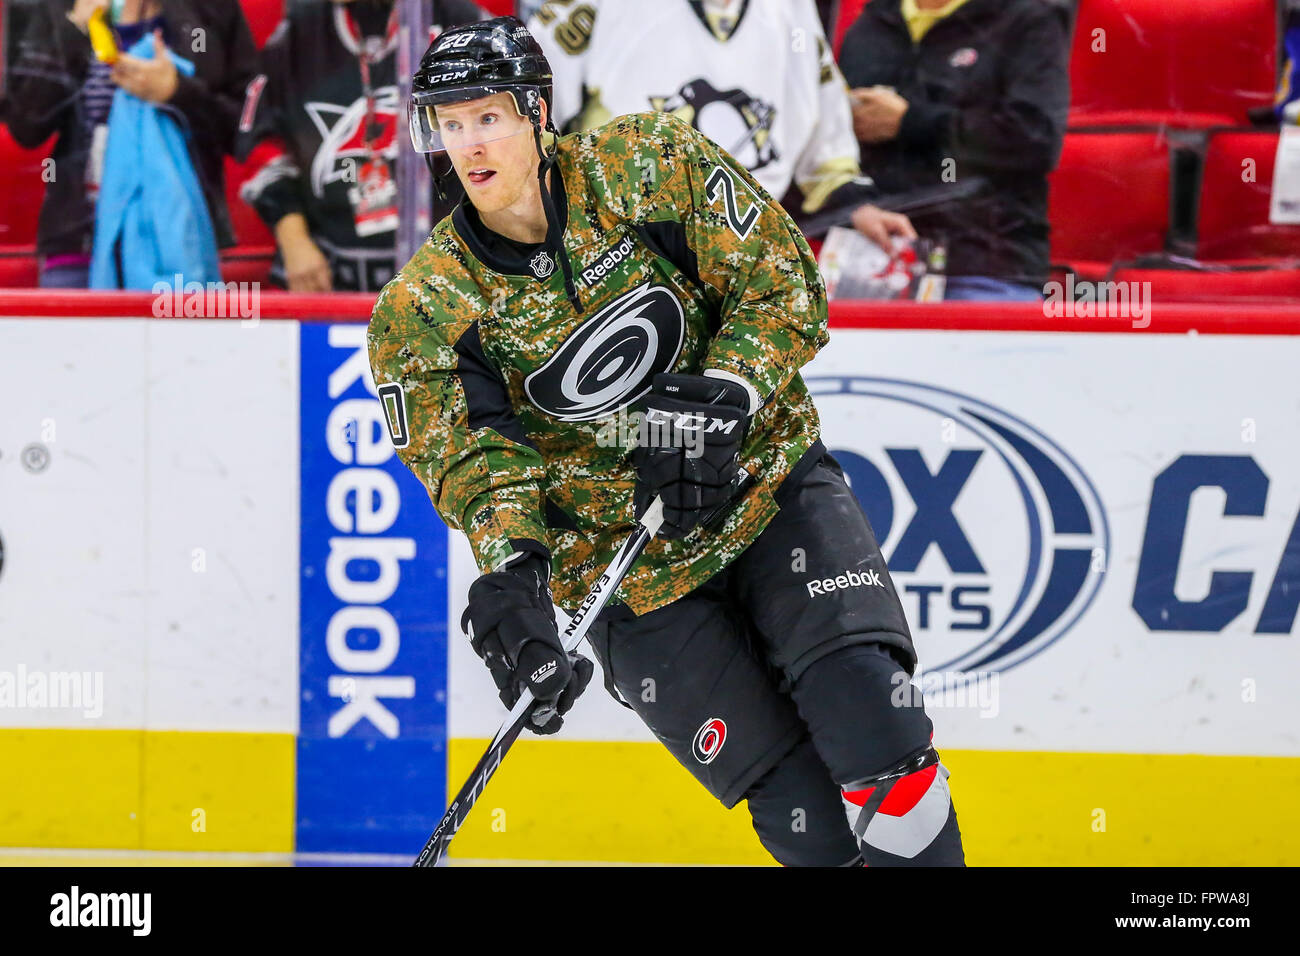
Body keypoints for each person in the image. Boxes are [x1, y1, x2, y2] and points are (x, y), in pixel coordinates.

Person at [368, 16, 966, 866]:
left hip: (766, 492)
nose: (468, 143)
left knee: (874, 721)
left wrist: (726, 394)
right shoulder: (422, 309)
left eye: (488, 116)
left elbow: (780, 280)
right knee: (805, 817)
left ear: (539, 112)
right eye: (449, 123)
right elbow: (473, 462)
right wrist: (515, 579)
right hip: (628, 579)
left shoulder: (648, 164)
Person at [526, 0, 915, 252]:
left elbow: (825, 152)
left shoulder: (792, 10)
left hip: (743, 252)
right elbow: (526, 120)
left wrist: (858, 206)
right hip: (614, 248)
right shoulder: (592, 7)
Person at [235, 0, 487, 293]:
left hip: (451, 277)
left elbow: (514, 147)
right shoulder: (297, 33)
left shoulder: (467, 29)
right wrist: (294, 239)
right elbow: (262, 144)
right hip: (326, 276)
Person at [5, 0, 256, 288]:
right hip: (78, 245)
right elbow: (27, 125)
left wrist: (178, 93)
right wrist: (74, 27)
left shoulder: (210, 10)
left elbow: (245, 127)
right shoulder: (62, 6)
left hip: (178, 241)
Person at [838, 0, 1069, 300]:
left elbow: (1036, 139)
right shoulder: (872, 23)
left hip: (981, 264)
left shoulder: (1028, 19)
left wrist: (910, 122)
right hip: (868, 261)